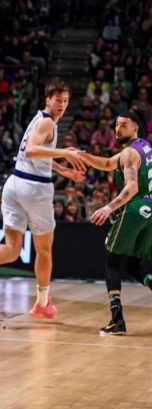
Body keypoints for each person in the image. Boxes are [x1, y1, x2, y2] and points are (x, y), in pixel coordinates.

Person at [0, 80, 85, 319]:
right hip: (35, 190)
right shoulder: (47, 122)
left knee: (13, 248)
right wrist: (65, 152)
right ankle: (41, 303)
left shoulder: (38, 119)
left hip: (14, 184)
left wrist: (61, 169)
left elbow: (36, 155)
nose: (62, 105)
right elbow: (31, 150)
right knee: (44, 250)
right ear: (47, 100)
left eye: (66, 101)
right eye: (58, 100)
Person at [79, 111, 152, 335]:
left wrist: (108, 207)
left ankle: (117, 319)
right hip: (151, 209)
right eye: (117, 125)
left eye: (123, 125)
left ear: (135, 128)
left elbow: (132, 187)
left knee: (112, 262)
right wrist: (84, 156)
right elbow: (110, 163)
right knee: (132, 265)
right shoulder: (144, 147)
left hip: (135, 208)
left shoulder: (129, 153)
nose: (117, 129)